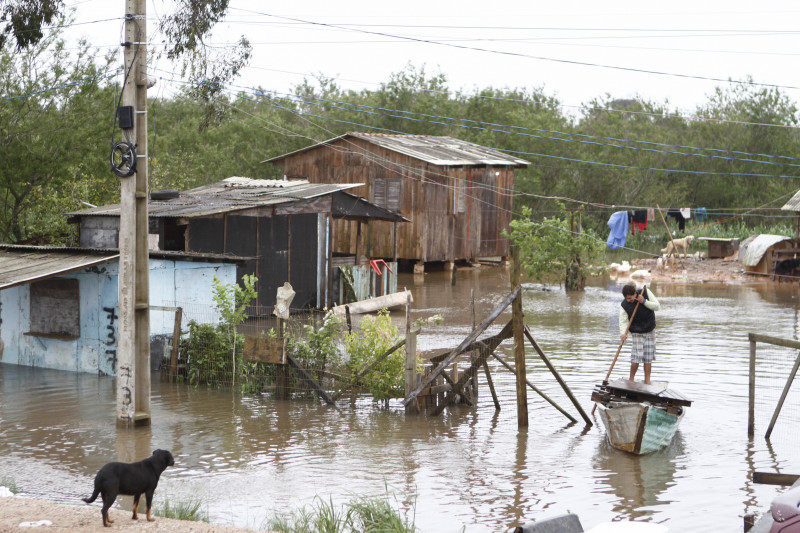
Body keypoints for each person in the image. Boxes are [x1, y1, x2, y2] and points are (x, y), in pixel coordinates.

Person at [619, 283, 660, 385]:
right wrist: (623, 333)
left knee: (648, 358)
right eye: (626, 298)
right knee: (636, 357)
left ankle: (647, 382)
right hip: (637, 332)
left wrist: (644, 301)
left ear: (634, 294)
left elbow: (657, 306)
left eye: (630, 298)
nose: (629, 300)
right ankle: (631, 380)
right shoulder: (624, 305)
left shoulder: (645, 292)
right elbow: (623, 321)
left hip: (650, 330)